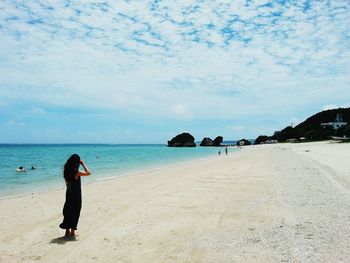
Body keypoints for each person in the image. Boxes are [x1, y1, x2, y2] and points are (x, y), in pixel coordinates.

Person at [59, 154, 91, 238]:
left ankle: (67, 231)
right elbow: (88, 173)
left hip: (69, 193)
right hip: (76, 194)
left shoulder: (66, 171)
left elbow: (67, 184)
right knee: (75, 211)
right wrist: (83, 164)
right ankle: (72, 232)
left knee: (68, 211)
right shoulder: (76, 172)